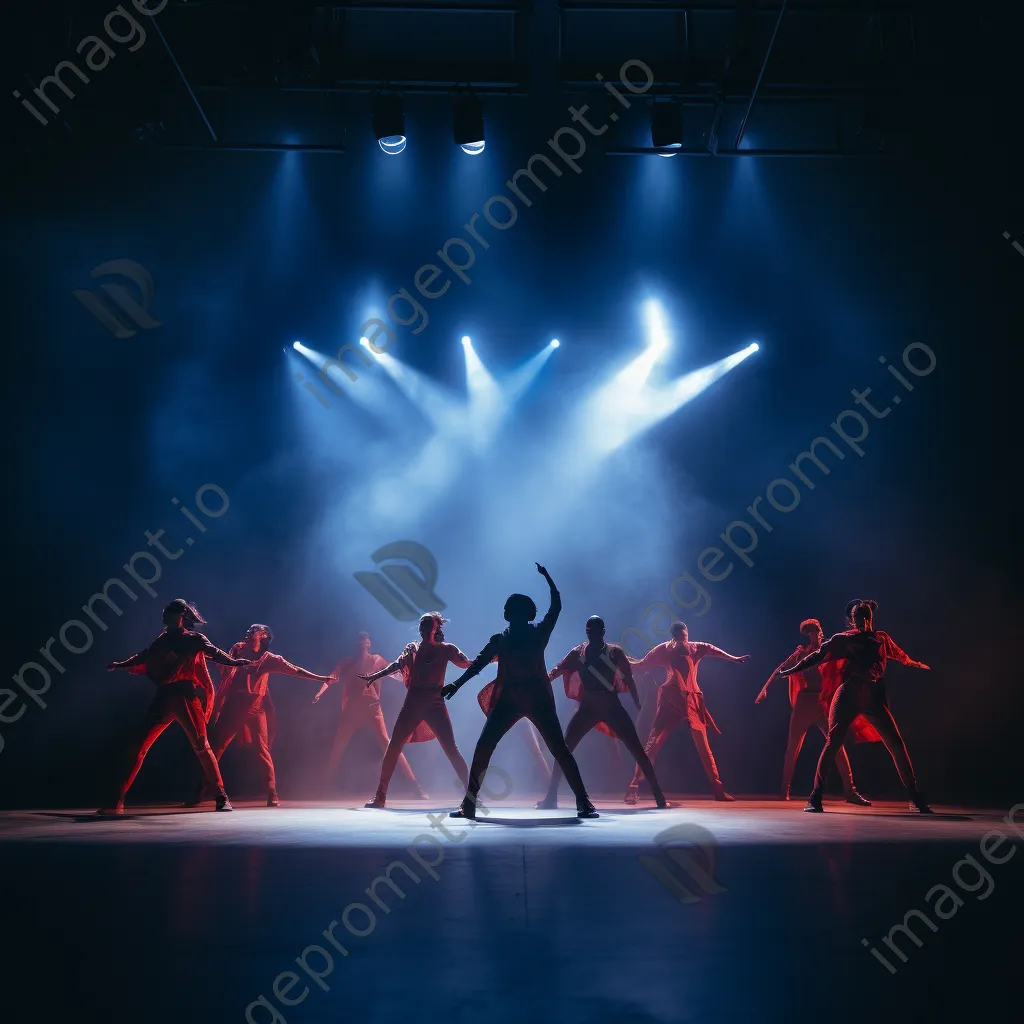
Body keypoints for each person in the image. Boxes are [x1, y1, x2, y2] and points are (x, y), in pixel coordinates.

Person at [442, 563, 598, 820]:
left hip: (537, 699)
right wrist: (456, 685)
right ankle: (468, 804)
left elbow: (556, 607)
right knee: (483, 747)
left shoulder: (539, 632)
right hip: (508, 700)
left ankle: (584, 801)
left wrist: (548, 578)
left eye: (511, 608)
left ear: (523, 613)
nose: (506, 611)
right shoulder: (500, 639)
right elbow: (479, 664)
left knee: (559, 749)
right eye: (506, 608)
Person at [99, 599, 253, 815]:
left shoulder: (193, 638)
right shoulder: (162, 639)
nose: (163, 617)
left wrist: (235, 663)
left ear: (180, 614)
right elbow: (145, 655)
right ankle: (116, 801)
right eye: (163, 614)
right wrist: (121, 664)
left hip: (185, 696)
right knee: (138, 747)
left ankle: (221, 796)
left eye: (167, 613)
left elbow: (214, 653)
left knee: (202, 747)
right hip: (164, 696)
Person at [780, 599, 932, 813]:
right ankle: (815, 797)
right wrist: (793, 669)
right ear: (852, 620)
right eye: (858, 617)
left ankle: (915, 797)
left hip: (872, 696)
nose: (862, 619)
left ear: (870, 617)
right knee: (833, 741)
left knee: (896, 744)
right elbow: (817, 656)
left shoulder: (881, 638)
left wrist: (913, 663)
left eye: (865, 615)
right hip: (849, 692)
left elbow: (900, 655)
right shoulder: (844, 639)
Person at [191, 624, 335, 807]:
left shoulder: (270, 659)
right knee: (217, 748)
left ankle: (272, 792)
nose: (249, 632)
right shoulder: (238, 648)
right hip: (234, 705)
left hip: (255, 708)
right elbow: (223, 663)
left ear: (264, 635)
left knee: (262, 751)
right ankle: (201, 790)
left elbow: (295, 670)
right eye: (249, 629)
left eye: (254, 630)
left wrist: (321, 679)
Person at [538, 615, 667, 809]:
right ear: (586, 632)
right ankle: (551, 797)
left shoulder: (615, 652)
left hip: (612, 707)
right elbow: (559, 668)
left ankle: (658, 795)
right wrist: (544, 681)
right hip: (587, 707)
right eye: (589, 630)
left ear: (603, 632)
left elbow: (629, 678)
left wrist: (637, 701)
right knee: (564, 749)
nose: (591, 633)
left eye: (595, 630)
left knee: (637, 750)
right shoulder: (579, 652)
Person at [625, 622, 748, 803]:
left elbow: (713, 649)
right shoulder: (665, 649)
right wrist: (629, 663)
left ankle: (718, 790)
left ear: (687, 635)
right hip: (671, 699)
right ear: (673, 637)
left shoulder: (695, 648)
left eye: (684, 636)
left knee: (704, 747)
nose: (682, 640)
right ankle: (633, 787)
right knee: (654, 742)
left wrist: (734, 658)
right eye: (678, 637)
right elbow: (643, 663)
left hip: (692, 700)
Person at [359, 613, 472, 808]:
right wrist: (375, 676)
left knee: (451, 747)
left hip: (435, 703)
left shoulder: (447, 649)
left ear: (436, 628)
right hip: (413, 702)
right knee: (394, 745)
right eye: (423, 626)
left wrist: (491, 658)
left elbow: (467, 663)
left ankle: (471, 794)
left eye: (429, 625)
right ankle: (380, 796)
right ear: (420, 629)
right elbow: (398, 664)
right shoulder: (413, 648)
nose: (425, 629)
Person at [757, 618, 870, 805]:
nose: (813, 635)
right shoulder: (801, 653)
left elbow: (847, 662)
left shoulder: (830, 649)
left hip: (823, 702)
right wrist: (765, 688)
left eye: (815, 631)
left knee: (837, 745)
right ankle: (784, 790)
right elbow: (781, 669)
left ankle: (850, 791)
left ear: (820, 631)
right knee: (793, 747)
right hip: (805, 702)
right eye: (809, 632)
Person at [315, 632, 426, 798]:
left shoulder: (376, 660)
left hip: (372, 709)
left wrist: (410, 667)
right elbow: (332, 678)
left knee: (389, 745)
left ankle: (415, 786)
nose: (360, 643)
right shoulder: (347, 663)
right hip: (351, 711)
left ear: (369, 644)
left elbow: (396, 673)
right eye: (358, 641)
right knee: (338, 747)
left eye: (364, 641)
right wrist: (320, 692)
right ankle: (324, 787)